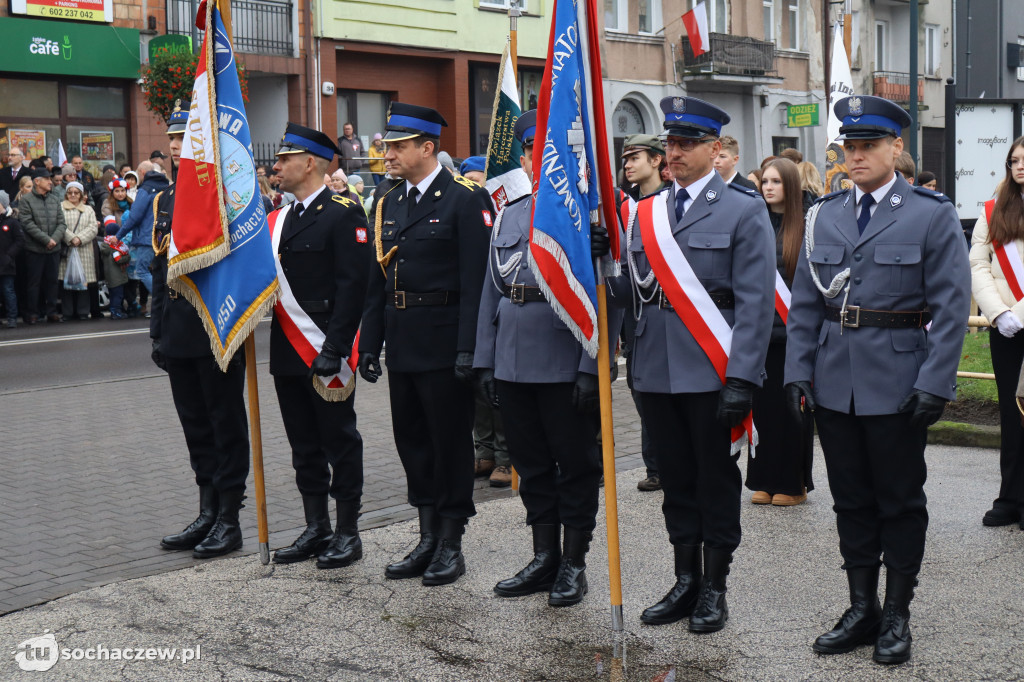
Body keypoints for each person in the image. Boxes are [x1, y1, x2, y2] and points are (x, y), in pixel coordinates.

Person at [785, 95, 970, 664]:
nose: (857, 156)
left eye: (869, 146)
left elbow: (952, 305)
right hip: (836, 379)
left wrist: (935, 382)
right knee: (850, 500)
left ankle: (896, 613)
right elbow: (805, 304)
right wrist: (797, 372)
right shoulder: (825, 214)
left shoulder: (930, 213)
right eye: (850, 147)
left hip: (899, 379)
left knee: (899, 500)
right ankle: (860, 606)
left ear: (897, 148)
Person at [610, 97, 775, 633]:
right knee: (676, 477)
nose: (672, 154)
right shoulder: (646, 212)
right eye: (669, 145)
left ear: (715, 149)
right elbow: (637, 290)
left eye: (684, 144)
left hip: (712, 366)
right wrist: (603, 261)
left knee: (715, 479)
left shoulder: (743, 209)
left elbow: (754, 304)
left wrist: (743, 378)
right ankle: (684, 580)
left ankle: (716, 586)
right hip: (655, 366)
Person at [475, 109, 608, 606]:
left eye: (545, 148)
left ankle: (574, 562)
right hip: (512, 359)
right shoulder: (512, 211)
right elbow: (493, 290)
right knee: (529, 464)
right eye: (531, 149)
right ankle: (543, 556)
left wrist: (589, 367)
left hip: (563, 356)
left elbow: (603, 297)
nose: (536, 157)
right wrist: (486, 361)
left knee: (573, 465)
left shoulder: (587, 214)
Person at [359, 102, 493, 586]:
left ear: (427, 147)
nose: (388, 154)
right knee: (412, 441)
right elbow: (378, 279)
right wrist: (369, 343)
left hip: (444, 341)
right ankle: (426, 535)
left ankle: (451, 542)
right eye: (388, 145)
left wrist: (469, 349)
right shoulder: (388, 201)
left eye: (398, 146)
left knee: (448, 443)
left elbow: (478, 282)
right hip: (404, 340)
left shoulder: (463, 199)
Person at [267, 123, 370, 569]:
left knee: (339, 440)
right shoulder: (279, 218)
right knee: (302, 444)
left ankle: (348, 532)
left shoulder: (344, 212)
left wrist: (337, 346)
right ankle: (316, 527)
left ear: (309, 163)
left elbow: (354, 287)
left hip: (326, 348)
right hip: (288, 349)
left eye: (284, 158)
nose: (276, 166)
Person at [150, 99, 250, 559]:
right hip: (177, 328)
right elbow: (159, 268)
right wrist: (156, 332)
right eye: (171, 139)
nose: (174, 146)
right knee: (194, 425)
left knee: (224, 422)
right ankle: (206, 510)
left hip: (215, 324)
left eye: (182, 138)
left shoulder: (219, 194)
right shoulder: (165, 198)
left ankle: (229, 518)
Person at [747, 157, 814, 505]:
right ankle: (763, 478)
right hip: (761, 336)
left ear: (790, 185)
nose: (768, 187)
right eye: (764, 181)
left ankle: (793, 483)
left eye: (775, 181)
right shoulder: (754, 222)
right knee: (763, 410)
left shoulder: (805, 226)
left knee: (792, 412)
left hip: (794, 336)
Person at [969, 136, 1024, 530]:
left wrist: (1018, 312)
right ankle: (1010, 497)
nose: (1019, 166)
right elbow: (978, 264)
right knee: (1011, 412)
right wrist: (999, 312)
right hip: (1004, 327)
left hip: (1017, 318)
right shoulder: (993, 209)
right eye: (1014, 161)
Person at [618, 133, 668, 492]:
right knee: (640, 390)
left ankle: (667, 463)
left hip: (666, 311)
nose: (628, 165)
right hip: (635, 313)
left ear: (656, 160)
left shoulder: (668, 202)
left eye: (636, 157)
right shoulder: (625, 208)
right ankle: (655, 465)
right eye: (625, 159)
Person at [116, 161, 168, 318]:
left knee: (142, 270)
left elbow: (135, 216)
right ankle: (166, 300)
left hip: (147, 237)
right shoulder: (165, 187)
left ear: (143, 172)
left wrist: (118, 236)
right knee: (159, 271)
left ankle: (164, 301)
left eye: (138, 173)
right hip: (163, 236)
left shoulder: (145, 190)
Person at [19, 168, 67, 324]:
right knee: (34, 282)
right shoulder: (26, 200)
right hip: (35, 249)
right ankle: (32, 312)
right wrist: (46, 240)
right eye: (46, 179)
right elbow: (27, 223)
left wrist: (54, 239)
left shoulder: (54, 199)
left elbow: (61, 223)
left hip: (53, 248)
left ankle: (51, 311)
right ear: (37, 181)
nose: (50, 181)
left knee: (52, 281)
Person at [58, 182, 98, 321]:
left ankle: (83, 312)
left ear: (81, 195)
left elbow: (93, 228)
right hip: (68, 250)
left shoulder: (88, 210)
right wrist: (71, 238)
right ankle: (68, 313)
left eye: (76, 192)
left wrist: (79, 239)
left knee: (83, 282)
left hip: (84, 249)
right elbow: (59, 226)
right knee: (67, 283)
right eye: (70, 192)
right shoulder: (60, 208)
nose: (73, 195)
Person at [0, 190, 25, 328]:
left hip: (6, 263)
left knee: (8, 290)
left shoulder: (12, 222)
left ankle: (12, 317)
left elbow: (20, 240)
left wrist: (9, 255)